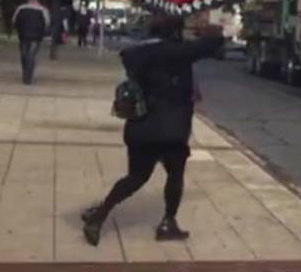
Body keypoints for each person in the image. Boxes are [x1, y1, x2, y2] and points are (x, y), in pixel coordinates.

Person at [81, 16, 222, 246]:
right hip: (173, 130)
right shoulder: (180, 52)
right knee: (175, 176)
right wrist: (210, 31)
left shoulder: (136, 55)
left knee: (135, 177)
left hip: (141, 127)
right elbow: (211, 45)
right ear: (176, 32)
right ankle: (168, 222)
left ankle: (99, 217)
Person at [12, 0, 50, 84]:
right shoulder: (42, 10)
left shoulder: (21, 8)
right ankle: (28, 75)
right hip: (36, 36)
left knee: (24, 55)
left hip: (23, 35)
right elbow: (47, 23)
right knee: (31, 55)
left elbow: (14, 21)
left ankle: (26, 73)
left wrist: (18, 29)